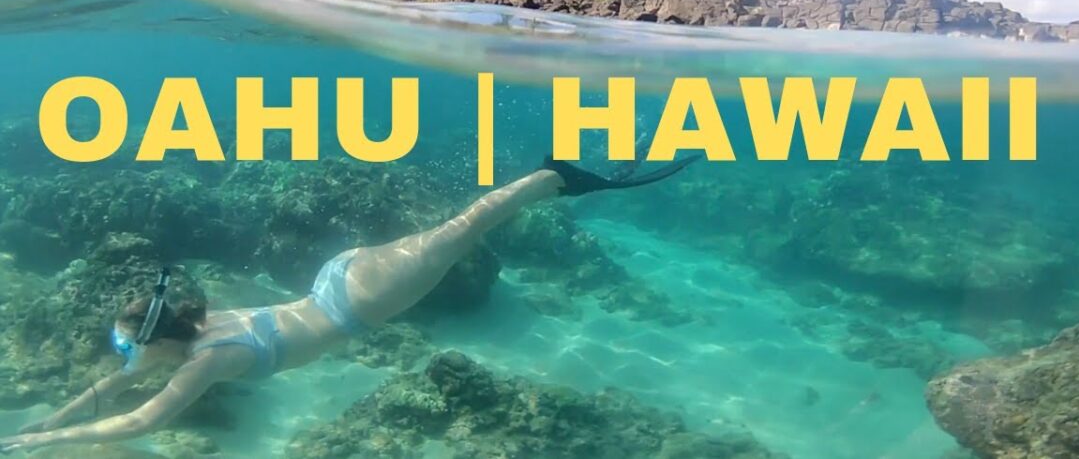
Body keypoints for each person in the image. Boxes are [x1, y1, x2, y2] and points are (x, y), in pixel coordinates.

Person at [0, 156, 698, 454]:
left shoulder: (202, 363)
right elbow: (113, 387)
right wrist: (49, 415)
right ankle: (555, 177)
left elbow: (136, 419)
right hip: (337, 276)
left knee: (463, 230)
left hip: (357, 299)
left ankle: (555, 177)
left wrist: (39, 441)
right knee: (452, 231)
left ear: (154, 339)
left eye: (127, 347)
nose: (123, 359)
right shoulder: (188, 333)